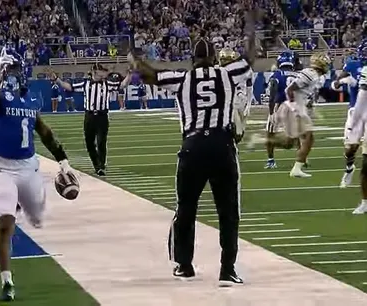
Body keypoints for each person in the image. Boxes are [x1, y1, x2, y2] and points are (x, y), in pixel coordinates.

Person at [129, 8, 256, 285]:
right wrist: (252, 30)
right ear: (213, 58)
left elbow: (150, 76)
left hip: (193, 146)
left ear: (193, 59)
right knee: (228, 210)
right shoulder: (227, 73)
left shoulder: (183, 78)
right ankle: (228, 269)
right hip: (222, 146)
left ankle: (184, 265)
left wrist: (135, 58)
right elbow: (249, 60)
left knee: (185, 208)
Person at [0, 48, 77, 301]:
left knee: (37, 217)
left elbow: (44, 132)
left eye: (15, 70)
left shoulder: (32, 100)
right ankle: (7, 280)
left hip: (28, 167)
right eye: (9, 70)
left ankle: (22, 206)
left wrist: (63, 161)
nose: (14, 75)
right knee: (5, 226)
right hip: (0, 168)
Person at [55, 63, 129, 176]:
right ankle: (96, 165)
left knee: (101, 142)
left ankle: (101, 166)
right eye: (101, 70)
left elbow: (122, 85)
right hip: (89, 116)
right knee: (89, 143)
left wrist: (130, 74)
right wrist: (57, 80)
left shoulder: (107, 83)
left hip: (102, 116)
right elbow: (70, 87)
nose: (104, 73)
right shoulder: (86, 83)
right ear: (95, 71)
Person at [333, 44, 367, 214]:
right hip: (356, 110)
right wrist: (341, 82)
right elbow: (335, 83)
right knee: (350, 147)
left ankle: (365, 200)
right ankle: (349, 169)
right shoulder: (353, 65)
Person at [263, 52, 299, 169]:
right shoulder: (298, 75)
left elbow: (273, 90)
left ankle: (270, 160)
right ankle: (301, 159)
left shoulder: (277, 74)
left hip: (279, 106)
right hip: (293, 107)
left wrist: (271, 111)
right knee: (295, 137)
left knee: (270, 133)